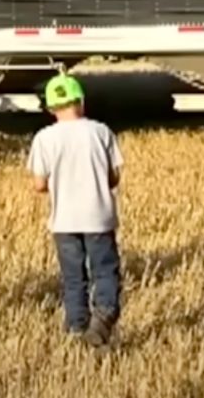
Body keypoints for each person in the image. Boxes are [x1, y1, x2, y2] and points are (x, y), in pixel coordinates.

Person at [27, 73, 124, 348]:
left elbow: (39, 184)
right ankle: (103, 318)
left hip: (64, 221)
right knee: (104, 272)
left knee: (73, 279)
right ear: (81, 101)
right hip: (99, 218)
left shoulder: (44, 138)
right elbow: (113, 177)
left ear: (50, 108)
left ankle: (76, 330)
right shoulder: (101, 132)